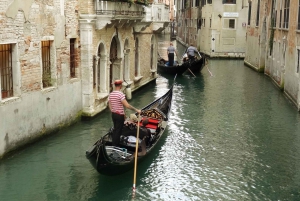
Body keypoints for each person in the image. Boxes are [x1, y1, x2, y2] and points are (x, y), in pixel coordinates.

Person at [108, 79, 141, 146]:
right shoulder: (120, 94)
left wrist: (113, 110)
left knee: (116, 128)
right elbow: (127, 105)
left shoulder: (111, 94)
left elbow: (109, 104)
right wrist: (136, 110)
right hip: (119, 115)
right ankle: (115, 145)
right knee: (118, 130)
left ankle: (115, 142)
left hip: (113, 114)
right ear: (120, 85)